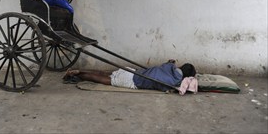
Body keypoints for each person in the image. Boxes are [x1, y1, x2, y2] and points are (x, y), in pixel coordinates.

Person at [63, 60, 196, 92]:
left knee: (106, 73)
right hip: (132, 81)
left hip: (132, 71)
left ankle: (79, 70)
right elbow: (163, 86)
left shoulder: (170, 66)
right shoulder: (174, 82)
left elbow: (168, 64)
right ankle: (81, 75)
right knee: (104, 80)